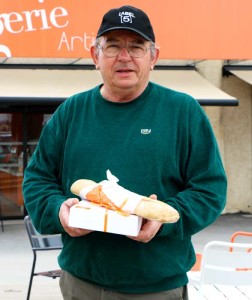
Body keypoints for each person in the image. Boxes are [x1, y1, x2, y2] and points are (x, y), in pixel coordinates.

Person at [23, 5, 227, 300]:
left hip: (156, 286)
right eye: (113, 46)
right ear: (95, 55)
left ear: (153, 57)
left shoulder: (183, 112)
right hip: (81, 282)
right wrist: (58, 210)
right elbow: (37, 178)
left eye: (136, 47)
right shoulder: (72, 112)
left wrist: (167, 218)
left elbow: (210, 189)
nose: (125, 57)